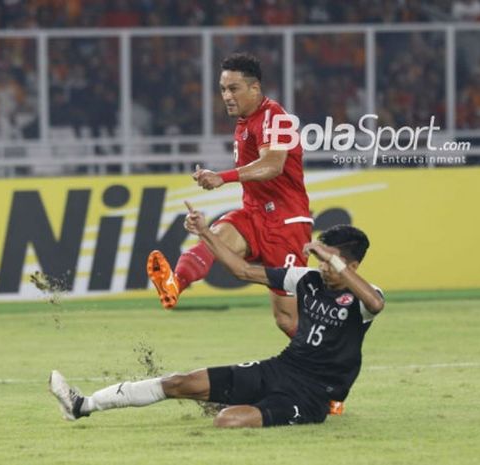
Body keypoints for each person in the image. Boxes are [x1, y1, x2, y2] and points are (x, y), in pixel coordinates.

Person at [50, 202, 384, 428]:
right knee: (181, 382)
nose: (322, 267)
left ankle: (244, 403)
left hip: (311, 397)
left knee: (226, 420)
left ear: (352, 266)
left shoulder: (363, 300)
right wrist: (206, 233)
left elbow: (376, 303)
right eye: (321, 259)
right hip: (280, 369)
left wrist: (333, 260)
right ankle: (82, 405)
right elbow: (241, 270)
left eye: (330, 261)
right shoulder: (306, 279)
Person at [147, 52, 311, 342]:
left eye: (233, 88)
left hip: (287, 222)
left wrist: (222, 177)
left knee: (286, 319)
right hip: (254, 213)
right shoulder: (245, 122)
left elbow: (273, 165)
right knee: (213, 238)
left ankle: (323, 359)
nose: (226, 96)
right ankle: (174, 284)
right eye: (223, 89)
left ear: (255, 89)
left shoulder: (274, 116)